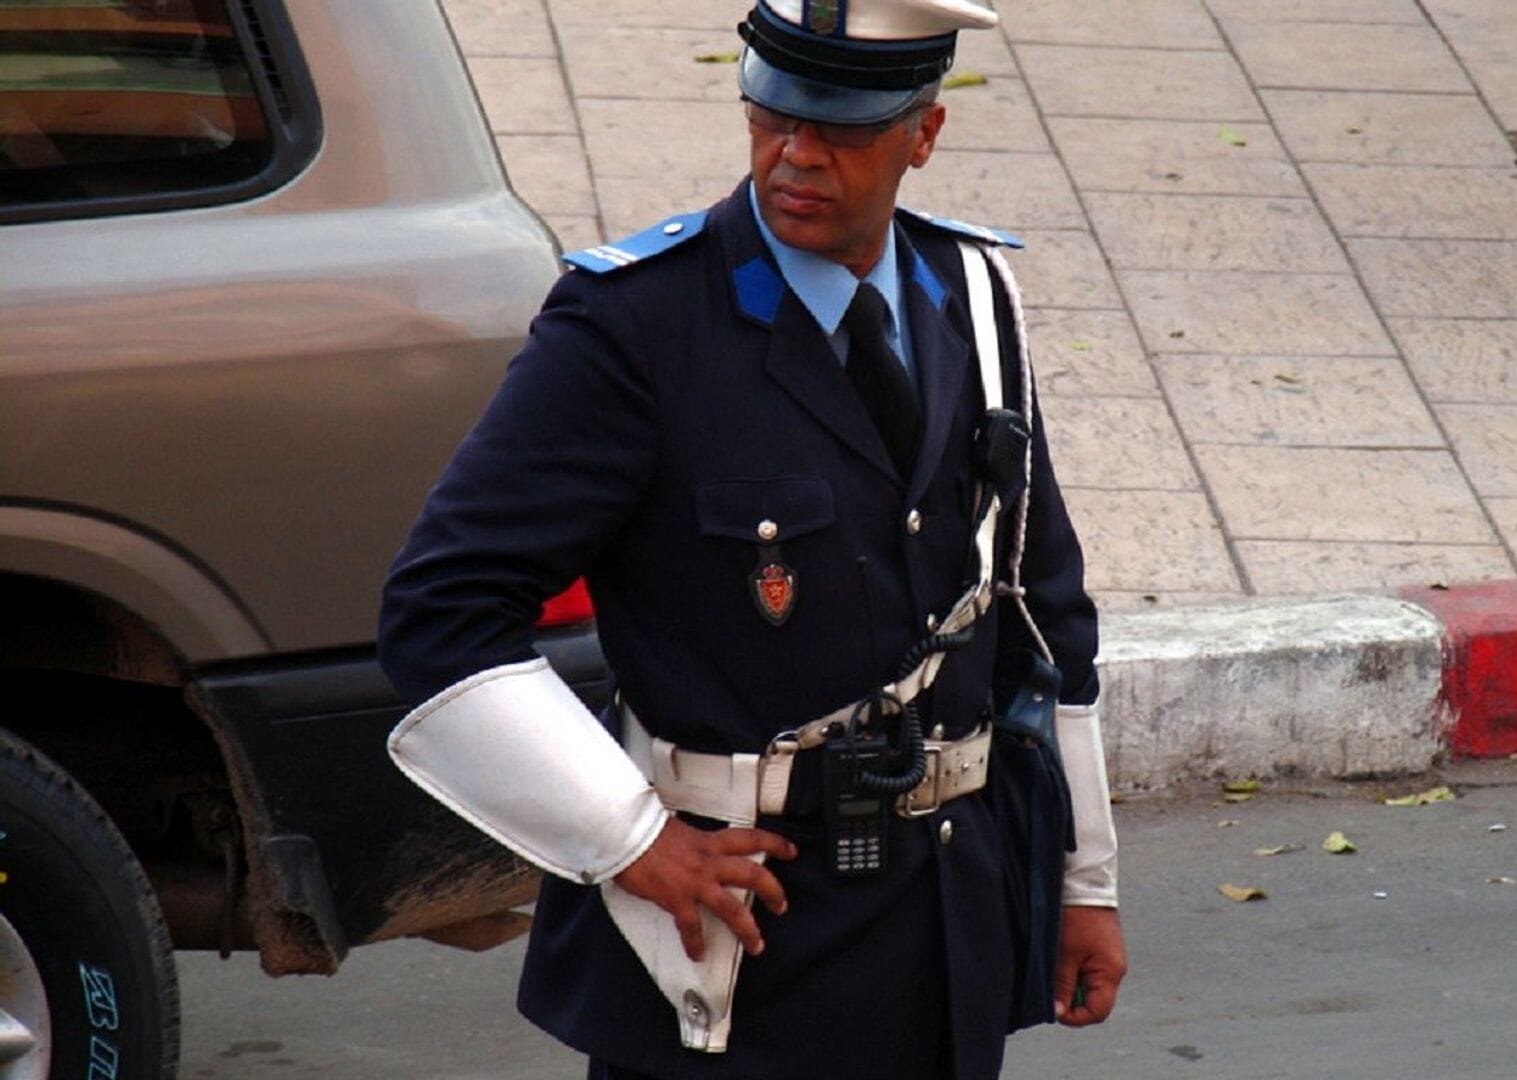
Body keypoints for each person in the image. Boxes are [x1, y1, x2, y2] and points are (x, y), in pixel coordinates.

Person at [376, 1, 1125, 1077]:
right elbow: (438, 614)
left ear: (925, 131)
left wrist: (1081, 884)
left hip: (943, 929)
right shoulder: (633, 327)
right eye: (771, 117)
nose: (797, 156)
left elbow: (1043, 610)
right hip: (735, 950)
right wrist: (628, 841)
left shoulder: (970, 295)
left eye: (845, 129)